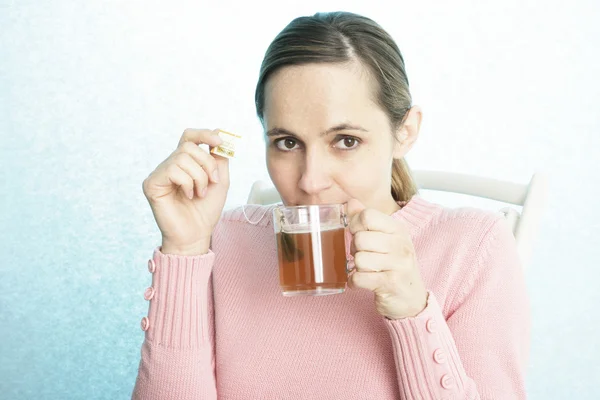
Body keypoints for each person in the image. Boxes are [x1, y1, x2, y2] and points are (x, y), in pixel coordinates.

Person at [132, 11, 529, 400]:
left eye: (345, 141)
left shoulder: (472, 246)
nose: (310, 180)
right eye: (287, 142)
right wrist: (184, 251)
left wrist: (412, 311)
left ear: (405, 132)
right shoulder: (223, 239)